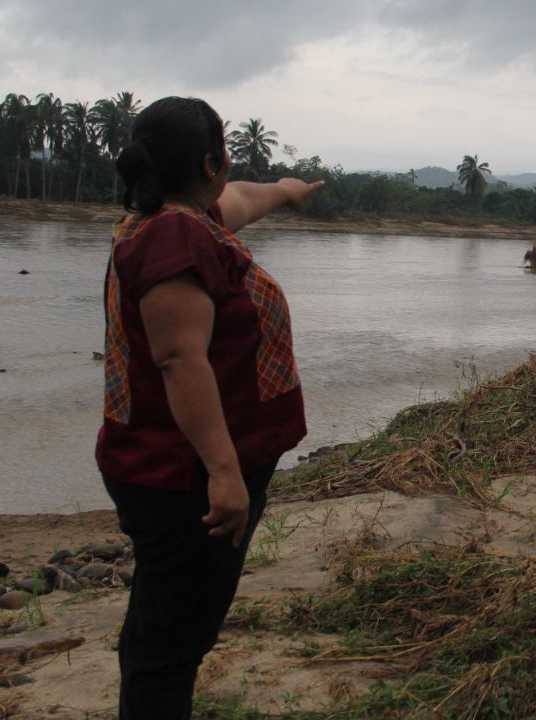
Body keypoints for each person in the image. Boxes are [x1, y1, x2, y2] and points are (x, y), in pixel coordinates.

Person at [96, 96, 322, 719]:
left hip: (173, 468)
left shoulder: (174, 220)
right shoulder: (175, 238)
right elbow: (179, 361)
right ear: (210, 162)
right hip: (186, 478)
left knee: (161, 631)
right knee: (170, 653)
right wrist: (225, 474)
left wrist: (287, 190)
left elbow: (244, 200)